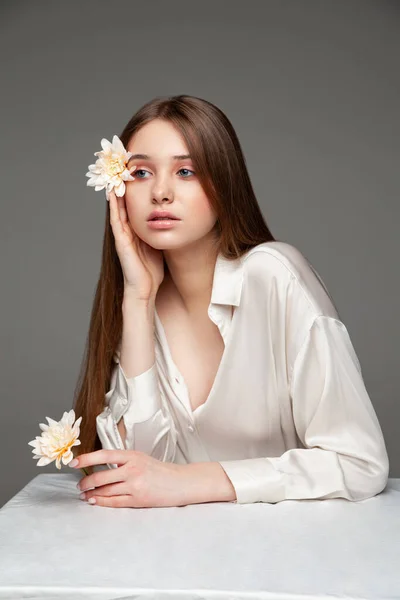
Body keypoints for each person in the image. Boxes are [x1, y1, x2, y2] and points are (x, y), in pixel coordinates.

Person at [73, 94, 389, 505]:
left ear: (224, 184)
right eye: (141, 173)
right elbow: (136, 476)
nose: (161, 193)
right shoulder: (139, 299)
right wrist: (138, 298)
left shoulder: (274, 275)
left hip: (294, 554)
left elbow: (360, 463)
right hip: (171, 555)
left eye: (186, 171)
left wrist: (194, 482)